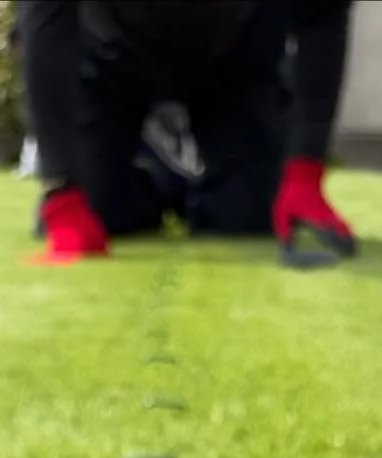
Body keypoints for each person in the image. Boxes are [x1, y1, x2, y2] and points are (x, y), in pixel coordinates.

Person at [18, 0, 356, 263]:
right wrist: (62, 191)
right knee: (101, 211)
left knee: (248, 215)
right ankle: (157, 169)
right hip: (110, 58)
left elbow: (322, 16)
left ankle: (187, 175)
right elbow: (44, 18)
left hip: (235, 61)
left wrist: (305, 173)